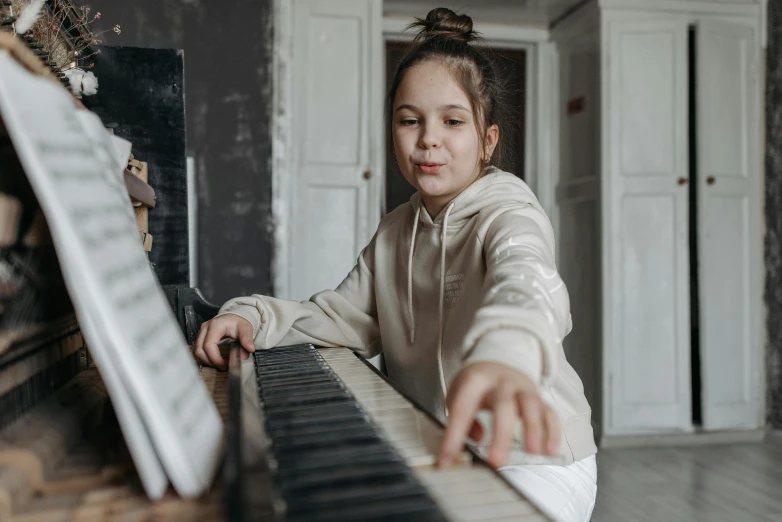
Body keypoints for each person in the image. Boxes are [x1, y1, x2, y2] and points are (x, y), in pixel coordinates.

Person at [194, 7, 597, 521]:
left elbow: (529, 283)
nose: (429, 138)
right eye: (410, 120)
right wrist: (251, 315)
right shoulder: (395, 231)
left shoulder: (509, 209)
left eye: (453, 122)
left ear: (487, 140)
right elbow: (341, 318)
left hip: (534, 458)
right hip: (441, 446)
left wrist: (506, 353)